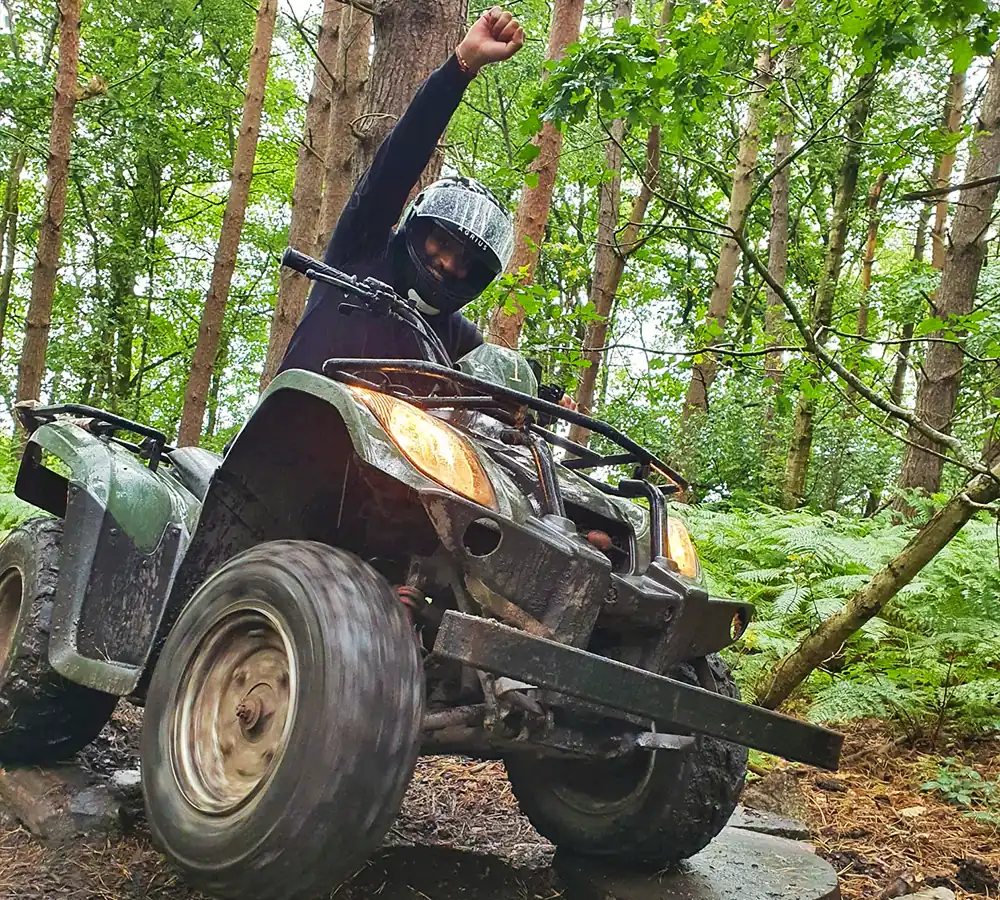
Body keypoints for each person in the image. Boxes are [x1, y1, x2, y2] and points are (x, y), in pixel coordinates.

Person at [278, 6, 576, 410]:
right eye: (443, 243)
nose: (450, 264)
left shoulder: (457, 340)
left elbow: (491, 393)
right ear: (416, 229)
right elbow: (398, 159)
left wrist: (535, 406)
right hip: (286, 438)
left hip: (387, 469)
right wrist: (462, 67)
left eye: (466, 262)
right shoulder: (363, 250)